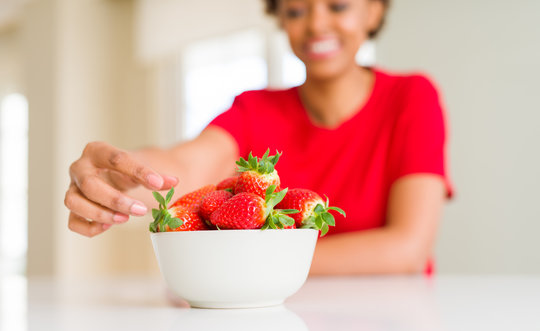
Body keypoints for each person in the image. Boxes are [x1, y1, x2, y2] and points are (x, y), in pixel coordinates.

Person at [64, 0, 452, 275]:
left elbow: (408, 249)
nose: (316, 24)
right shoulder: (255, 109)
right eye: (297, 10)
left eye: (337, 6)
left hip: (398, 322)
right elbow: (187, 166)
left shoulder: (412, 97)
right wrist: (121, 175)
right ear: (280, 18)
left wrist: (251, 265)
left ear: (374, 10)